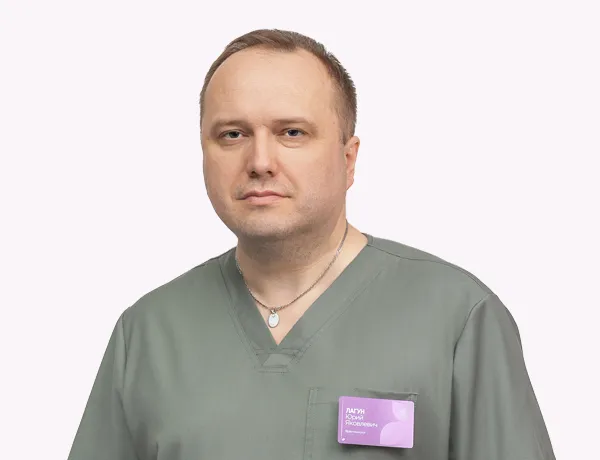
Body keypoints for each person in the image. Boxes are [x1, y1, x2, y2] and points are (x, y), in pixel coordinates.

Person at [67, 29, 556, 459]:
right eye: (232, 134)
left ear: (349, 159)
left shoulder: (456, 319)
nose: (260, 161)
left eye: (292, 132)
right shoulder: (148, 334)